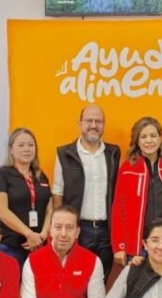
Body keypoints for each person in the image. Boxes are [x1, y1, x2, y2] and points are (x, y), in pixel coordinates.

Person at [52, 105, 121, 281]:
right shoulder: (64, 154)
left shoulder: (113, 153)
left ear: (103, 125)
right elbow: (58, 191)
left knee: (101, 281)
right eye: (88, 120)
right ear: (80, 124)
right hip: (79, 230)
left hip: (107, 231)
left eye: (98, 121)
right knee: (76, 280)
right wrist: (62, 227)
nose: (93, 125)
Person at [111, 117, 162, 267]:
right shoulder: (127, 169)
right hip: (136, 246)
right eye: (143, 136)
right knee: (139, 288)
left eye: (153, 135)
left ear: (160, 138)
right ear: (137, 141)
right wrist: (119, 246)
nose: (149, 141)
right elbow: (119, 209)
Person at [0, 127, 53, 271]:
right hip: (10, 246)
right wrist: (29, 234)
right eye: (21, 145)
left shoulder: (41, 175)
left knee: (37, 291)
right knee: (11, 290)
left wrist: (42, 235)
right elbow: (2, 211)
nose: (27, 149)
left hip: (39, 246)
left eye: (31, 145)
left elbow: (50, 209)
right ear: (11, 149)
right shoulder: (1, 174)